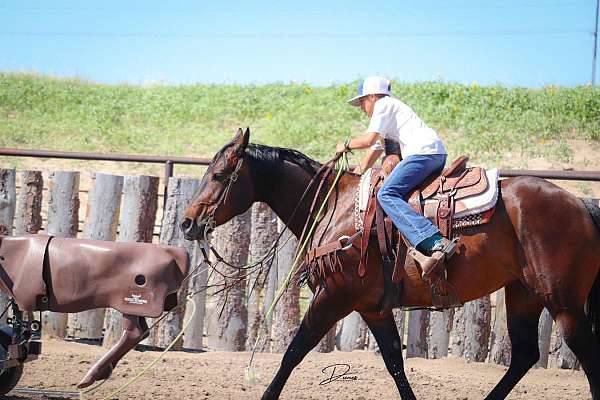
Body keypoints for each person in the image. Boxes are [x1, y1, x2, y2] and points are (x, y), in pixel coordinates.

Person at [336, 76, 456, 278]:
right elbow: (377, 147)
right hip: (434, 154)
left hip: (422, 154)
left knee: (386, 194)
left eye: (362, 102)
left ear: (372, 96)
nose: (362, 108)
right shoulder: (392, 109)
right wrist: (360, 170)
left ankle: (432, 240)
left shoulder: (383, 104)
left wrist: (345, 145)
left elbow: (369, 139)